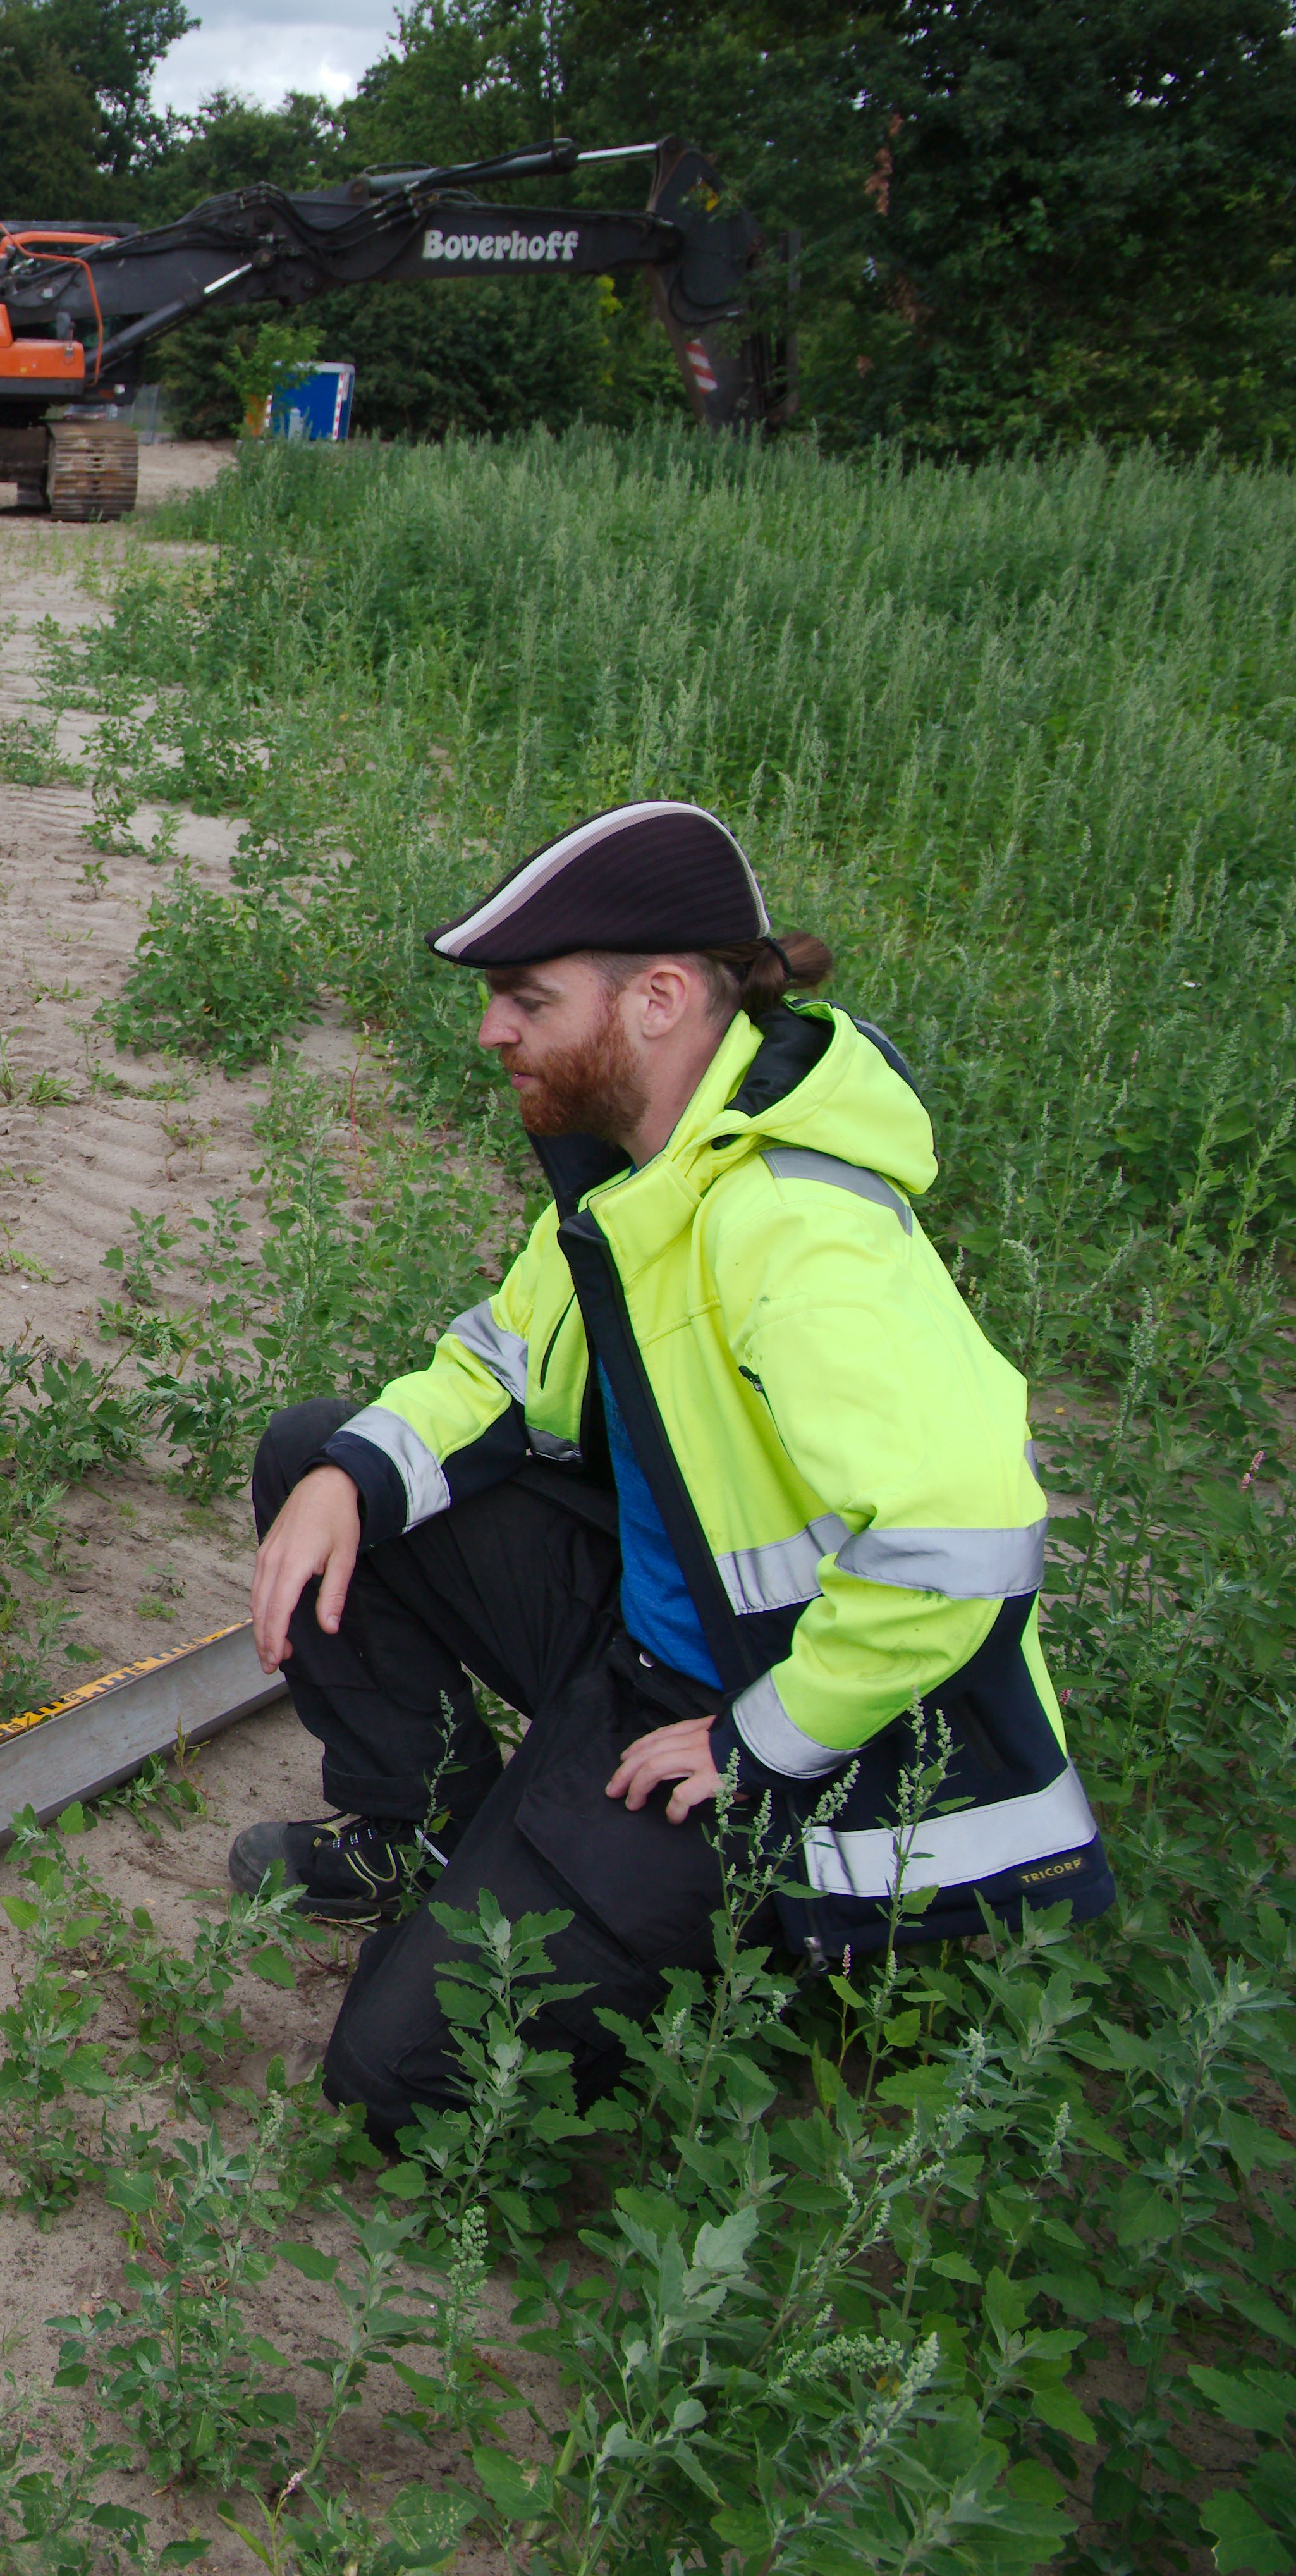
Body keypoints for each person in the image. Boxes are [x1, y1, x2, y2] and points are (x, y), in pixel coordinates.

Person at [233, 800, 1111, 2137]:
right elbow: (500, 1362)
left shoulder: (798, 1230)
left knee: (396, 2083)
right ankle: (439, 1835)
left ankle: (758, 1935)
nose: (492, 1032)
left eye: (528, 1000)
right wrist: (348, 1476)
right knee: (318, 1449)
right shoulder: (645, 1175)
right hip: (650, 1639)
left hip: (768, 1729)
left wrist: (763, 1740)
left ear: (654, 997)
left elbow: (967, 1536)